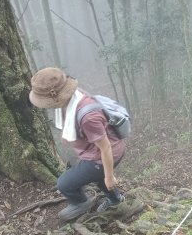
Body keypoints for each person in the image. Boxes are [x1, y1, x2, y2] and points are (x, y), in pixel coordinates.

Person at [29, 67, 126, 221]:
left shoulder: (88, 117)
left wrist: (109, 176)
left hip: (104, 156)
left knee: (64, 184)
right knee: (100, 179)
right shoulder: (73, 96)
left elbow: (105, 147)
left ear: (55, 98)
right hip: (102, 150)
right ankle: (115, 199)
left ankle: (82, 202)